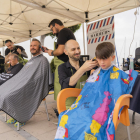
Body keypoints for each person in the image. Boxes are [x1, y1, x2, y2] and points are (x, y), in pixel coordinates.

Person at [54, 42, 138, 140]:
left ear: (113, 57)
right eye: (73, 49)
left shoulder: (114, 72)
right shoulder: (64, 67)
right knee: (67, 118)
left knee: (90, 123)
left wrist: (98, 61)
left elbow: (117, 91)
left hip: (104, 107)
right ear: (66, 52)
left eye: (105, 58)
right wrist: (84, 68)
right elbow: (66, 85)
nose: (102, 62)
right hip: (84, 103)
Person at [0, 38, 52, 127]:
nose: (32, 47)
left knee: (9, 95)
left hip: (31, 86)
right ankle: (15, 115)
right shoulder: (31, 61)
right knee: (2, 90)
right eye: (31, 45)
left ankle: (21, 117)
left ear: (40, 47)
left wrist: (27, 83)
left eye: (35, 45)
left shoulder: (43, 60)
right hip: (23, 83)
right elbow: (22, 74)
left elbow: (40, 77)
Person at [58, 40, 98, 109]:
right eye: (73, 49)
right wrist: (83, 69)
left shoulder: (86, 64)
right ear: (66, 52)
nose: (77, 51)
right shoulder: (62, 67)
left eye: (78, 48)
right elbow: (65, 86)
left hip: (86, 105)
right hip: (70, 108)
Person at [43, 19, 76, 100]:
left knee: (64, 90)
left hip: (65, 65)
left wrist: (52, 53)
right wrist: (48, 50)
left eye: (52, 29)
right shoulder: (67, 32)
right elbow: (61, 50)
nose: (53, 32)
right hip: (68, 64)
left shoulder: (63, 32)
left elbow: (60, 51)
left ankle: (63, 108)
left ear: (56, 25)